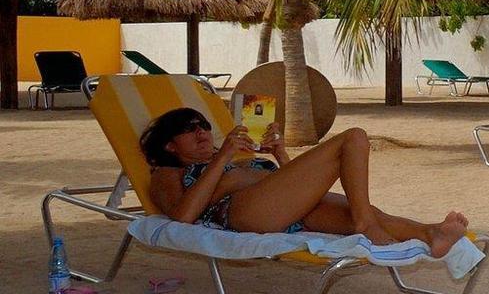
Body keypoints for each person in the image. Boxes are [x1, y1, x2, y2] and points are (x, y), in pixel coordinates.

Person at [139, 108, 467, 257]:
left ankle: (431, 233)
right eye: (188, 128)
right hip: (243, 214)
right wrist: (223, 161)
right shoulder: (168, 172)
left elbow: (299, 187)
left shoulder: (234, 157)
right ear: (169, 146)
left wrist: (280, 154)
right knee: (353, 139)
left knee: (365, 210)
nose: (201, 132)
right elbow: (182, 217)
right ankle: (366, 226)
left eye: (203, 125)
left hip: (288, 214)